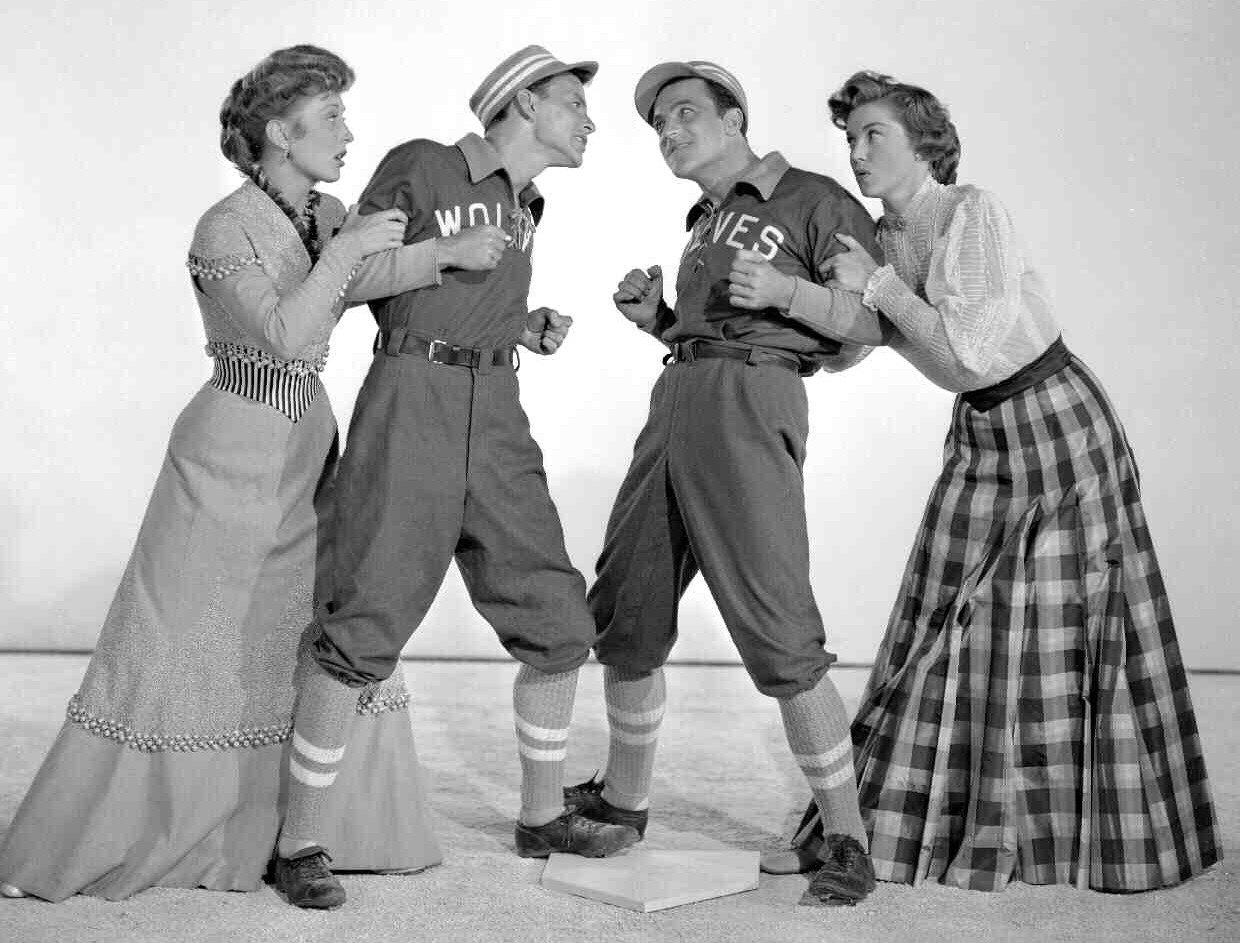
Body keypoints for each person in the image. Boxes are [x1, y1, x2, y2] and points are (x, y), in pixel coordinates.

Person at [0, 44, 507, 902]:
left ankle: (306, 830)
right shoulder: (223, 226)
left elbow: (377, 272)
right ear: (280, 130)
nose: (349, 132)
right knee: (171, 643)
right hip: (226, 454)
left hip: (308, 447)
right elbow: (287, 333)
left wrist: (457, 266)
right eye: (332, 115)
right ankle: (116, 834)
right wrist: (349, 249)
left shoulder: (327, 213)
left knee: (308, 632)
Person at [758, 70, 1221, 892]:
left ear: (923, 143)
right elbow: (853, 345)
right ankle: (862, 826)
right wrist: (765, 319)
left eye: (875, 135)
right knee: (936, 624)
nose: (858, 153)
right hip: (983, 434)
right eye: (852, 138)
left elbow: (969, 349)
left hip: (1058, 423)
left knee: (1058, 633)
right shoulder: (877, 236)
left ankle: (1071, 839)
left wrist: (880, 284)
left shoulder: (970, 212)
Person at [271, 45, 640, 910]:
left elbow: (477, 297)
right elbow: (346, 278)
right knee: (363, 624)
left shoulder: (528, 202)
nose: (587, 122)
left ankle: (543, 816)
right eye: (571, 104)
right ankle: (299, 843)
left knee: (558, 618)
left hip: (497, 405)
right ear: (520, 105)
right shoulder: (424, 165)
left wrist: (523, 324)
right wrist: (443, 252)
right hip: (412, 400)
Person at [566, 60, 882, 907]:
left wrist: (787, 291)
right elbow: (713, 329)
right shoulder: (703, 219)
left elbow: (868, 325)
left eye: (683, 114)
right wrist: (660, 323)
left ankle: (846, 836)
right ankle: (624, 800)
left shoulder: (813, 199)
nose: (668, 131)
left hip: (751, 403)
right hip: (678, 394)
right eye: (659, 124)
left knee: (778, 622)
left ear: (736, 116)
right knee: (626, 607)